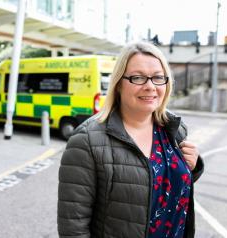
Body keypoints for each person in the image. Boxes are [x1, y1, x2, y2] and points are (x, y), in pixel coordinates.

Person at [57, 41, 204, 238]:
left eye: (158, 78)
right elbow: (73, 228)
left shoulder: (174, 129)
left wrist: (194, 167)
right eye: (138, 78)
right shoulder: (86, 141)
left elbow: (162, 186)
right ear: (118, 84)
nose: (150, 86)